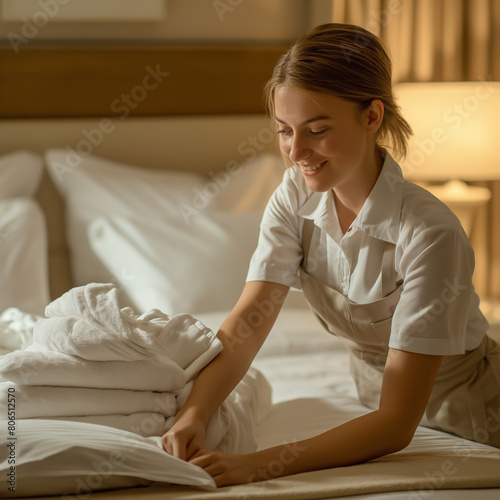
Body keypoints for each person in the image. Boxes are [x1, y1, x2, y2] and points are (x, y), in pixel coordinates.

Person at [162, 23, 500, 486]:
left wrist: (257, 465)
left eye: (317, 130)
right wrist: (194, 413)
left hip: (474, 419)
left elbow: (397, 423)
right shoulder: (293, 197)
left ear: (372, 117)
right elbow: (250, 319)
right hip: (368, 409)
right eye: (284, 131)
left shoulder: (429, 233)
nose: (296, 152)